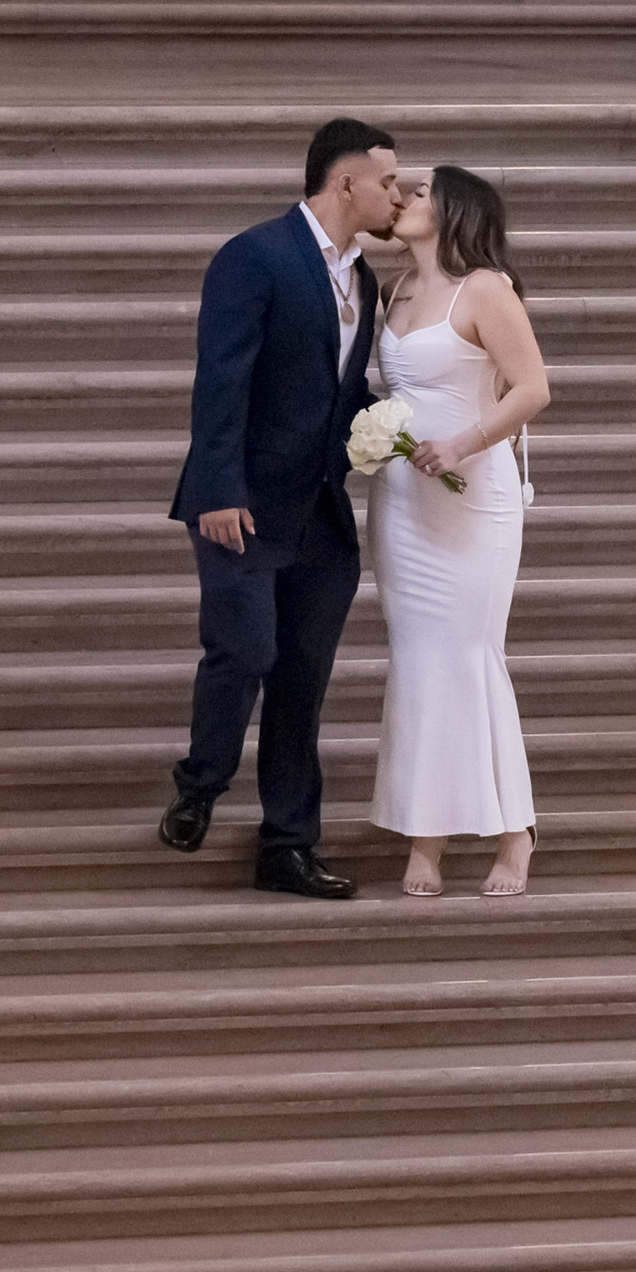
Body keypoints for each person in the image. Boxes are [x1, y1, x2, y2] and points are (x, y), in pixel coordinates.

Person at [160, 117, 402, 899]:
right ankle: (200, 785)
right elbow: (221, 381)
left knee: (303, 681)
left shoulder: (363, 279)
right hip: (246, 505)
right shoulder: (254, 256)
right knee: (246, 652)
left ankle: (289, 844)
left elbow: (338, 393)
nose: (396, 195)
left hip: (322, 518)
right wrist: (218, 490)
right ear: (345, 183)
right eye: (388, 181)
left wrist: (406, 434)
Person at [369, 165, 552, 897]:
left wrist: (466, 444)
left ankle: (515, 832)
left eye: (417, 193)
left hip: (474, 496)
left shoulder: (484, 288)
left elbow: (533, 386)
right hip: (404, 501)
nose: (403, 199)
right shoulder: (396, 289)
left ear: (451, 209)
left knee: (470, 655)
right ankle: (426, 837)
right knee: (417, 660)